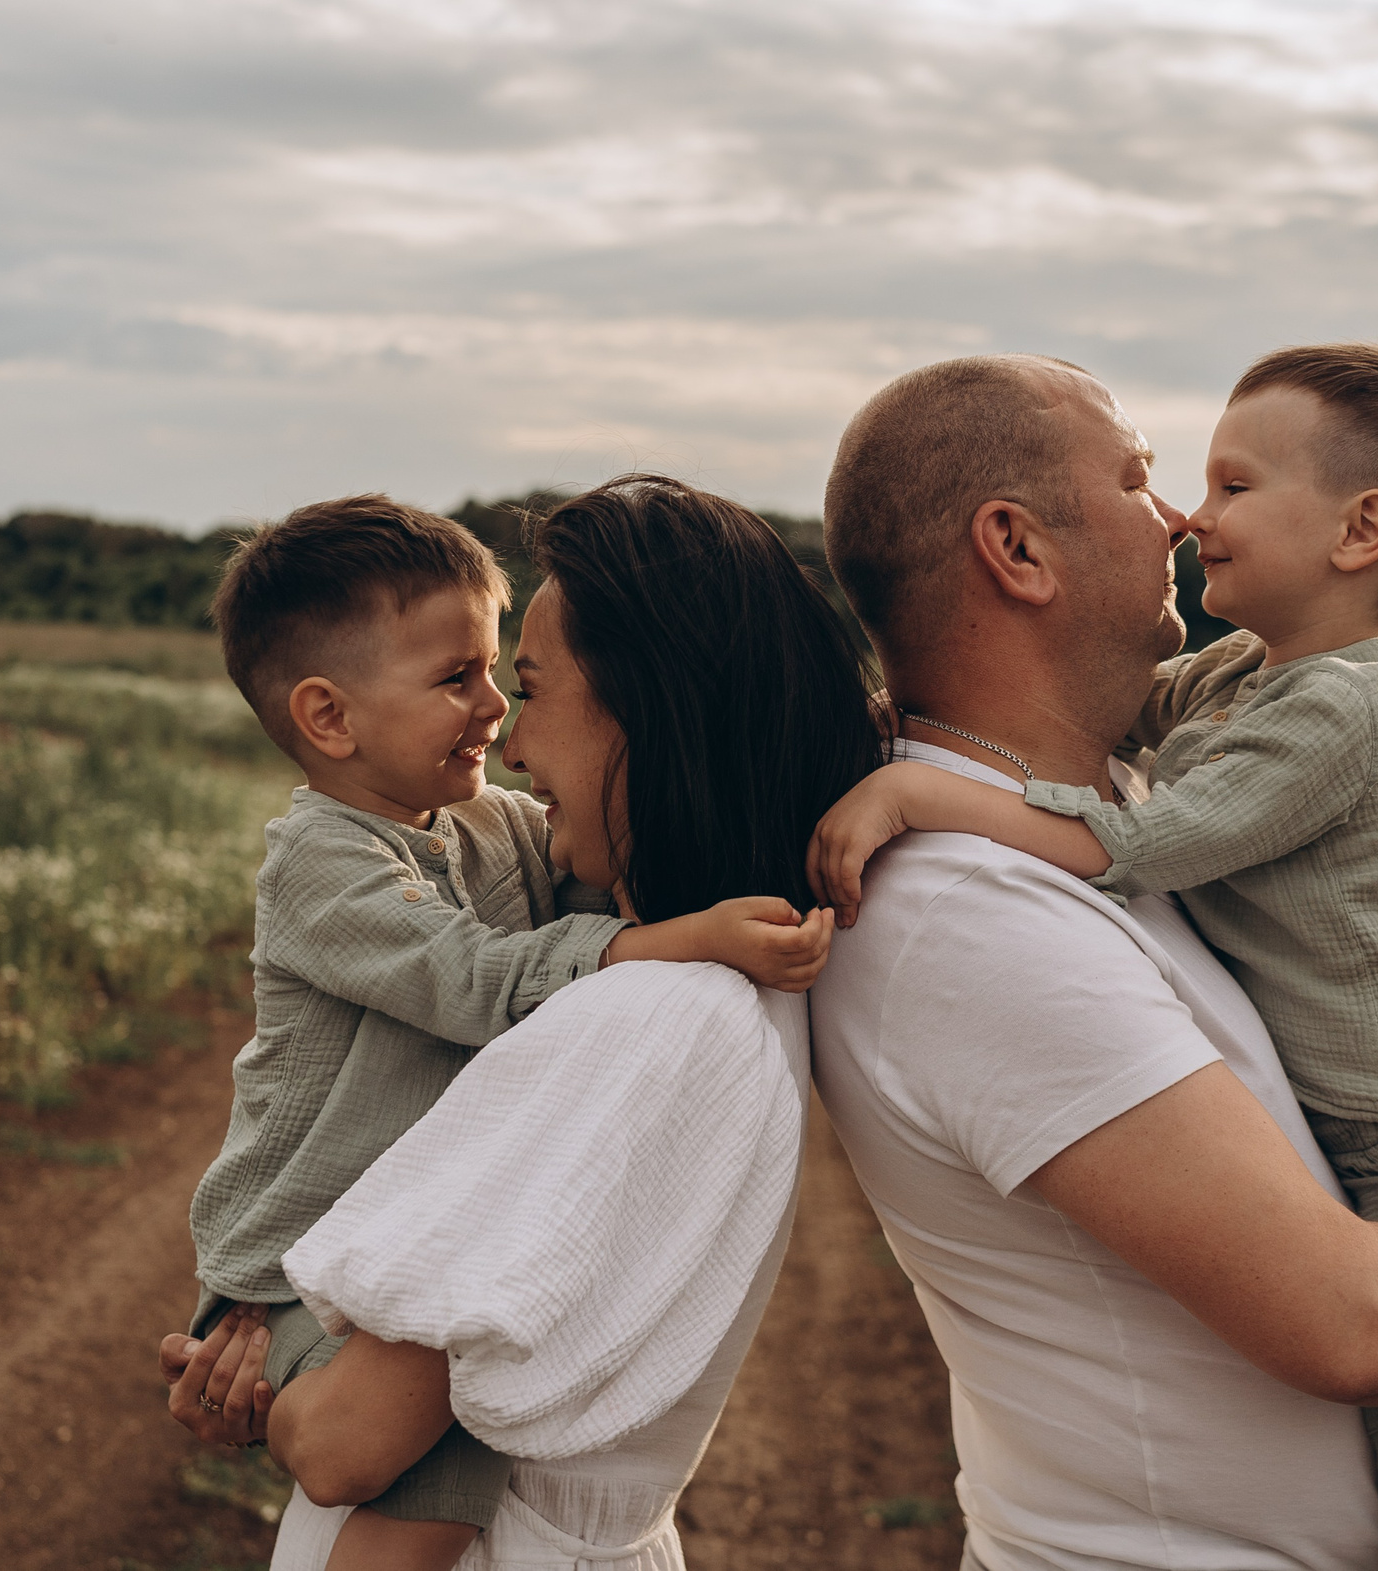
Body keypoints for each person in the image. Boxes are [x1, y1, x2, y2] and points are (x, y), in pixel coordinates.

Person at [807, 346, 1378, 1570]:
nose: (1183, 518)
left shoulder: (1156, 780)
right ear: (1018, 550)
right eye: (1143, 478)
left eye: (1215, 487)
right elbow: (1358, 1327)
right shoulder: (968, 910)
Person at [163, 475, 881, 1570]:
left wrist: (273, 1410)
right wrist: (671, 931)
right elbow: (472, 972)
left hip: (399, 1383)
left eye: (517, 682)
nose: (502, 729)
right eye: (461, 679)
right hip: (285, 1263)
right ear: (328, 716)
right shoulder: (321, 862)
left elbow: (345, 1447)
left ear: (650, 711)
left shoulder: (641, 1008)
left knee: (458, 1448)